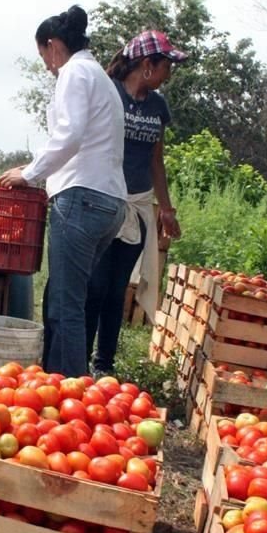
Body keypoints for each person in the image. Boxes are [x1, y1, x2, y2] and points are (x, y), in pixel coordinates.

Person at [0, 6, 127, 377]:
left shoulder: (74, 73)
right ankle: (53, 383)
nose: (47, 66)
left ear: (53, 45)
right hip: (109, 201)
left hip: (81, 197)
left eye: (44, 56)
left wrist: (30, 173)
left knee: (66, 304)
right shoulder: (100, 77)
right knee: (59, 297)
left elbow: (68, 135)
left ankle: (72, 393)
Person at [85, 30, 187, 376]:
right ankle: (79, 361)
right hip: (103, 201)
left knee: (116, 290)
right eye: (166, 66)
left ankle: (104, 364)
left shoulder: (158, 106)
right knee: (95, 286)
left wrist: (167, 209)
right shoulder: (109, 93)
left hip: (138, 206)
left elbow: (156, 161)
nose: (169, 74)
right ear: (147, 65)